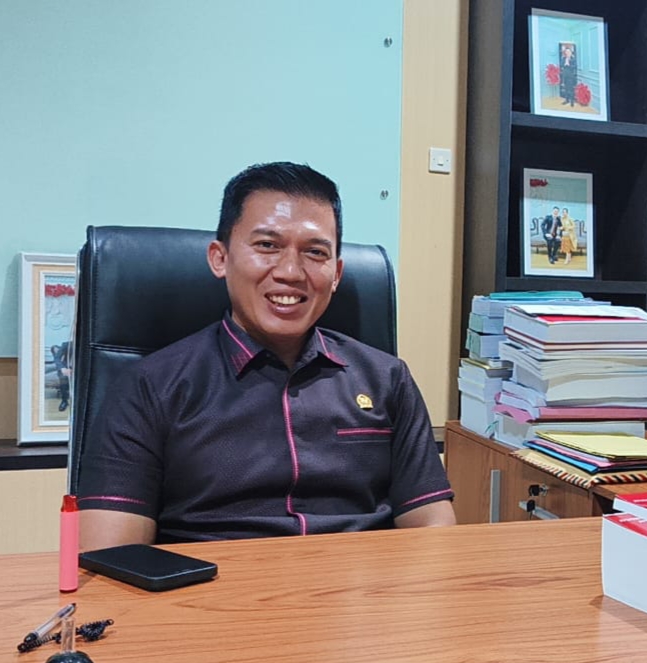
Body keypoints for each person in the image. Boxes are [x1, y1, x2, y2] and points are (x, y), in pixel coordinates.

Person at [77, 162, 456, 550]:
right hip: (213, 583)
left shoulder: (387, 379)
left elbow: (433, 528)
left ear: (337, 273)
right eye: (267, 245)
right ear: (220, 258)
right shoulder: (149, 386)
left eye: (315, 252)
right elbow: (111, 554)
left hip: (361, 582)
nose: (291, 272)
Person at [51, 342, 71, 412]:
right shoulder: (66, 345)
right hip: (66, 367)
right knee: (63, 377)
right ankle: (64, 401)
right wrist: (62, 368)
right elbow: (57, 358)